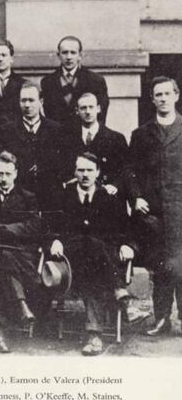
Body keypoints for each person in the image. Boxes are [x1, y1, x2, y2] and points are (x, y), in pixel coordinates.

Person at [49, 152, 142, 355]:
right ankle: (120, 293)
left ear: (98, 172)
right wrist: (54, 240)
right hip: (71, 261)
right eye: (81, 170)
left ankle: (94, 336)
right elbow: (50, 227)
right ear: (74, 172)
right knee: (91, 247)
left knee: (93, 265)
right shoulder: (62, 196)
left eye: (90, 170)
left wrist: (128, 245)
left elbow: (126, 229)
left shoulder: (109, 198)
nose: (85, 174)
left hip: (96, 264)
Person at [0, 151, 45, 353]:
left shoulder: (28, 197)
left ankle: (1, 332)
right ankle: (21, 305)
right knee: (0, 259)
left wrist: (1, 231)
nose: (3, 179)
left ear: (16, 174)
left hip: (21, 256)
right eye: (0, 174)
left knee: (1, 263)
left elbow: (33, 226)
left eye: (8, 174)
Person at [127, 76, 182, 337]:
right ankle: (162, 318)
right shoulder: (141, 134)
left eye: (166, 93)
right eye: (157, 94)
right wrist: (136, 197)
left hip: (180, 210)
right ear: (152, 99)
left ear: (176, 96)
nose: (162, 98)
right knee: (161, 265)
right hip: (155, 213)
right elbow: (131, 171)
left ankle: (181, 316)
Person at [0, 81, 64, 209]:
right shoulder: (7, 130)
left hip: (50, 196)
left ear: (41, 102)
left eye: (31, 100)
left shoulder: (56, 130)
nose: (27, 105)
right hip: (20, 198)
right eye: (23, 100)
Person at [61, 92, 128, 192]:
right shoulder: (67, 139)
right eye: (83, 108)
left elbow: (126, 169)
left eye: (91, 107)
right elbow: (61, 167)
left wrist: (115, 185)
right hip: (77, 196)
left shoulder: (116, 138)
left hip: (107, 196)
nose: (87, 111)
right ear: (77, 111)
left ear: (98, 109)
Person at [40, 36, 109, 126]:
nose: (69, 57)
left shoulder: (95, 81)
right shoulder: (48, 82)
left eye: (73, 53)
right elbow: (48, 116)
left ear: (80, 55)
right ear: (58, 55)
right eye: (65, 53)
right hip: (57, 137)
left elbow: (100, 116)